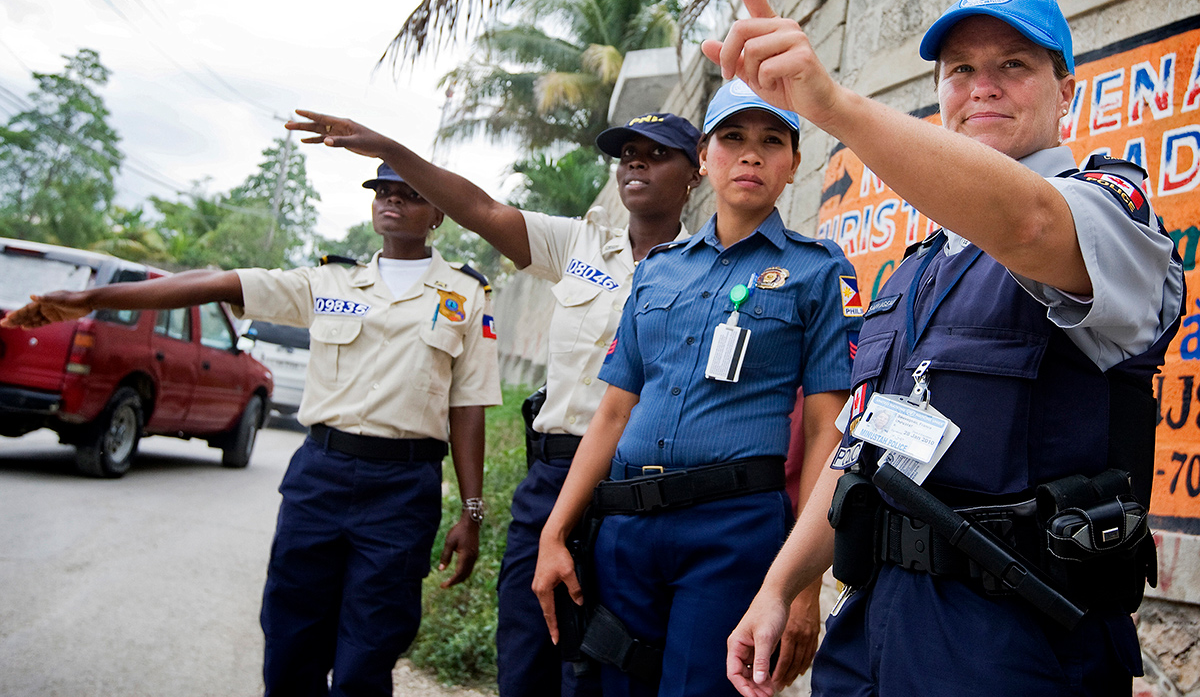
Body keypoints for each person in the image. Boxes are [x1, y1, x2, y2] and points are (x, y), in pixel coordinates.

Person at [711, 0, 1185, 697]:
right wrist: (780, 586)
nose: (982, 86)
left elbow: (1026, 221)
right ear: (940, 94)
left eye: (1014, 66)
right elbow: (863, 448)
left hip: (1015, 639)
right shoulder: (917, 269)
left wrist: (832, 105)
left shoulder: (1107, 211)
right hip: (875, 620)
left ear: (1066, 91)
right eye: (960, 69)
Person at [1, 165, 501, 697]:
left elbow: (468, 407)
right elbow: (210, 283)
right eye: (382, 192)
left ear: (439, 214)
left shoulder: (467, 297)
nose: (391, 202)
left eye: (409, 195)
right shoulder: (326, 282)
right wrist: (95, 300)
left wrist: (471, 512)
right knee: (290, 642)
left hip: (403, 490)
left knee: (369, 653)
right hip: (321, 478)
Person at [283, 108, 712, 697]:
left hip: (635, 485)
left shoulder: (709, 270)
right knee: (525, 647)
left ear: (697, 171)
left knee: (611, 661)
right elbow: (480, 209)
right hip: (553, 477)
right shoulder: (577, 245)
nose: (636, 161)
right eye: (627, 152)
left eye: (658, 153)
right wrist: (390, 147)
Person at [530, 78, 862, 697]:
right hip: (625, 529)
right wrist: (554, 532)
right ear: (706, 159)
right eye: (732, 138)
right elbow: (612, 413)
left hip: (732, 532)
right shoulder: (657, 269)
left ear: (793, 165)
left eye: (772, 141)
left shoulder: (818, 270)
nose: (751, 155)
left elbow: (826, 429)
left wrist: (800, 584)